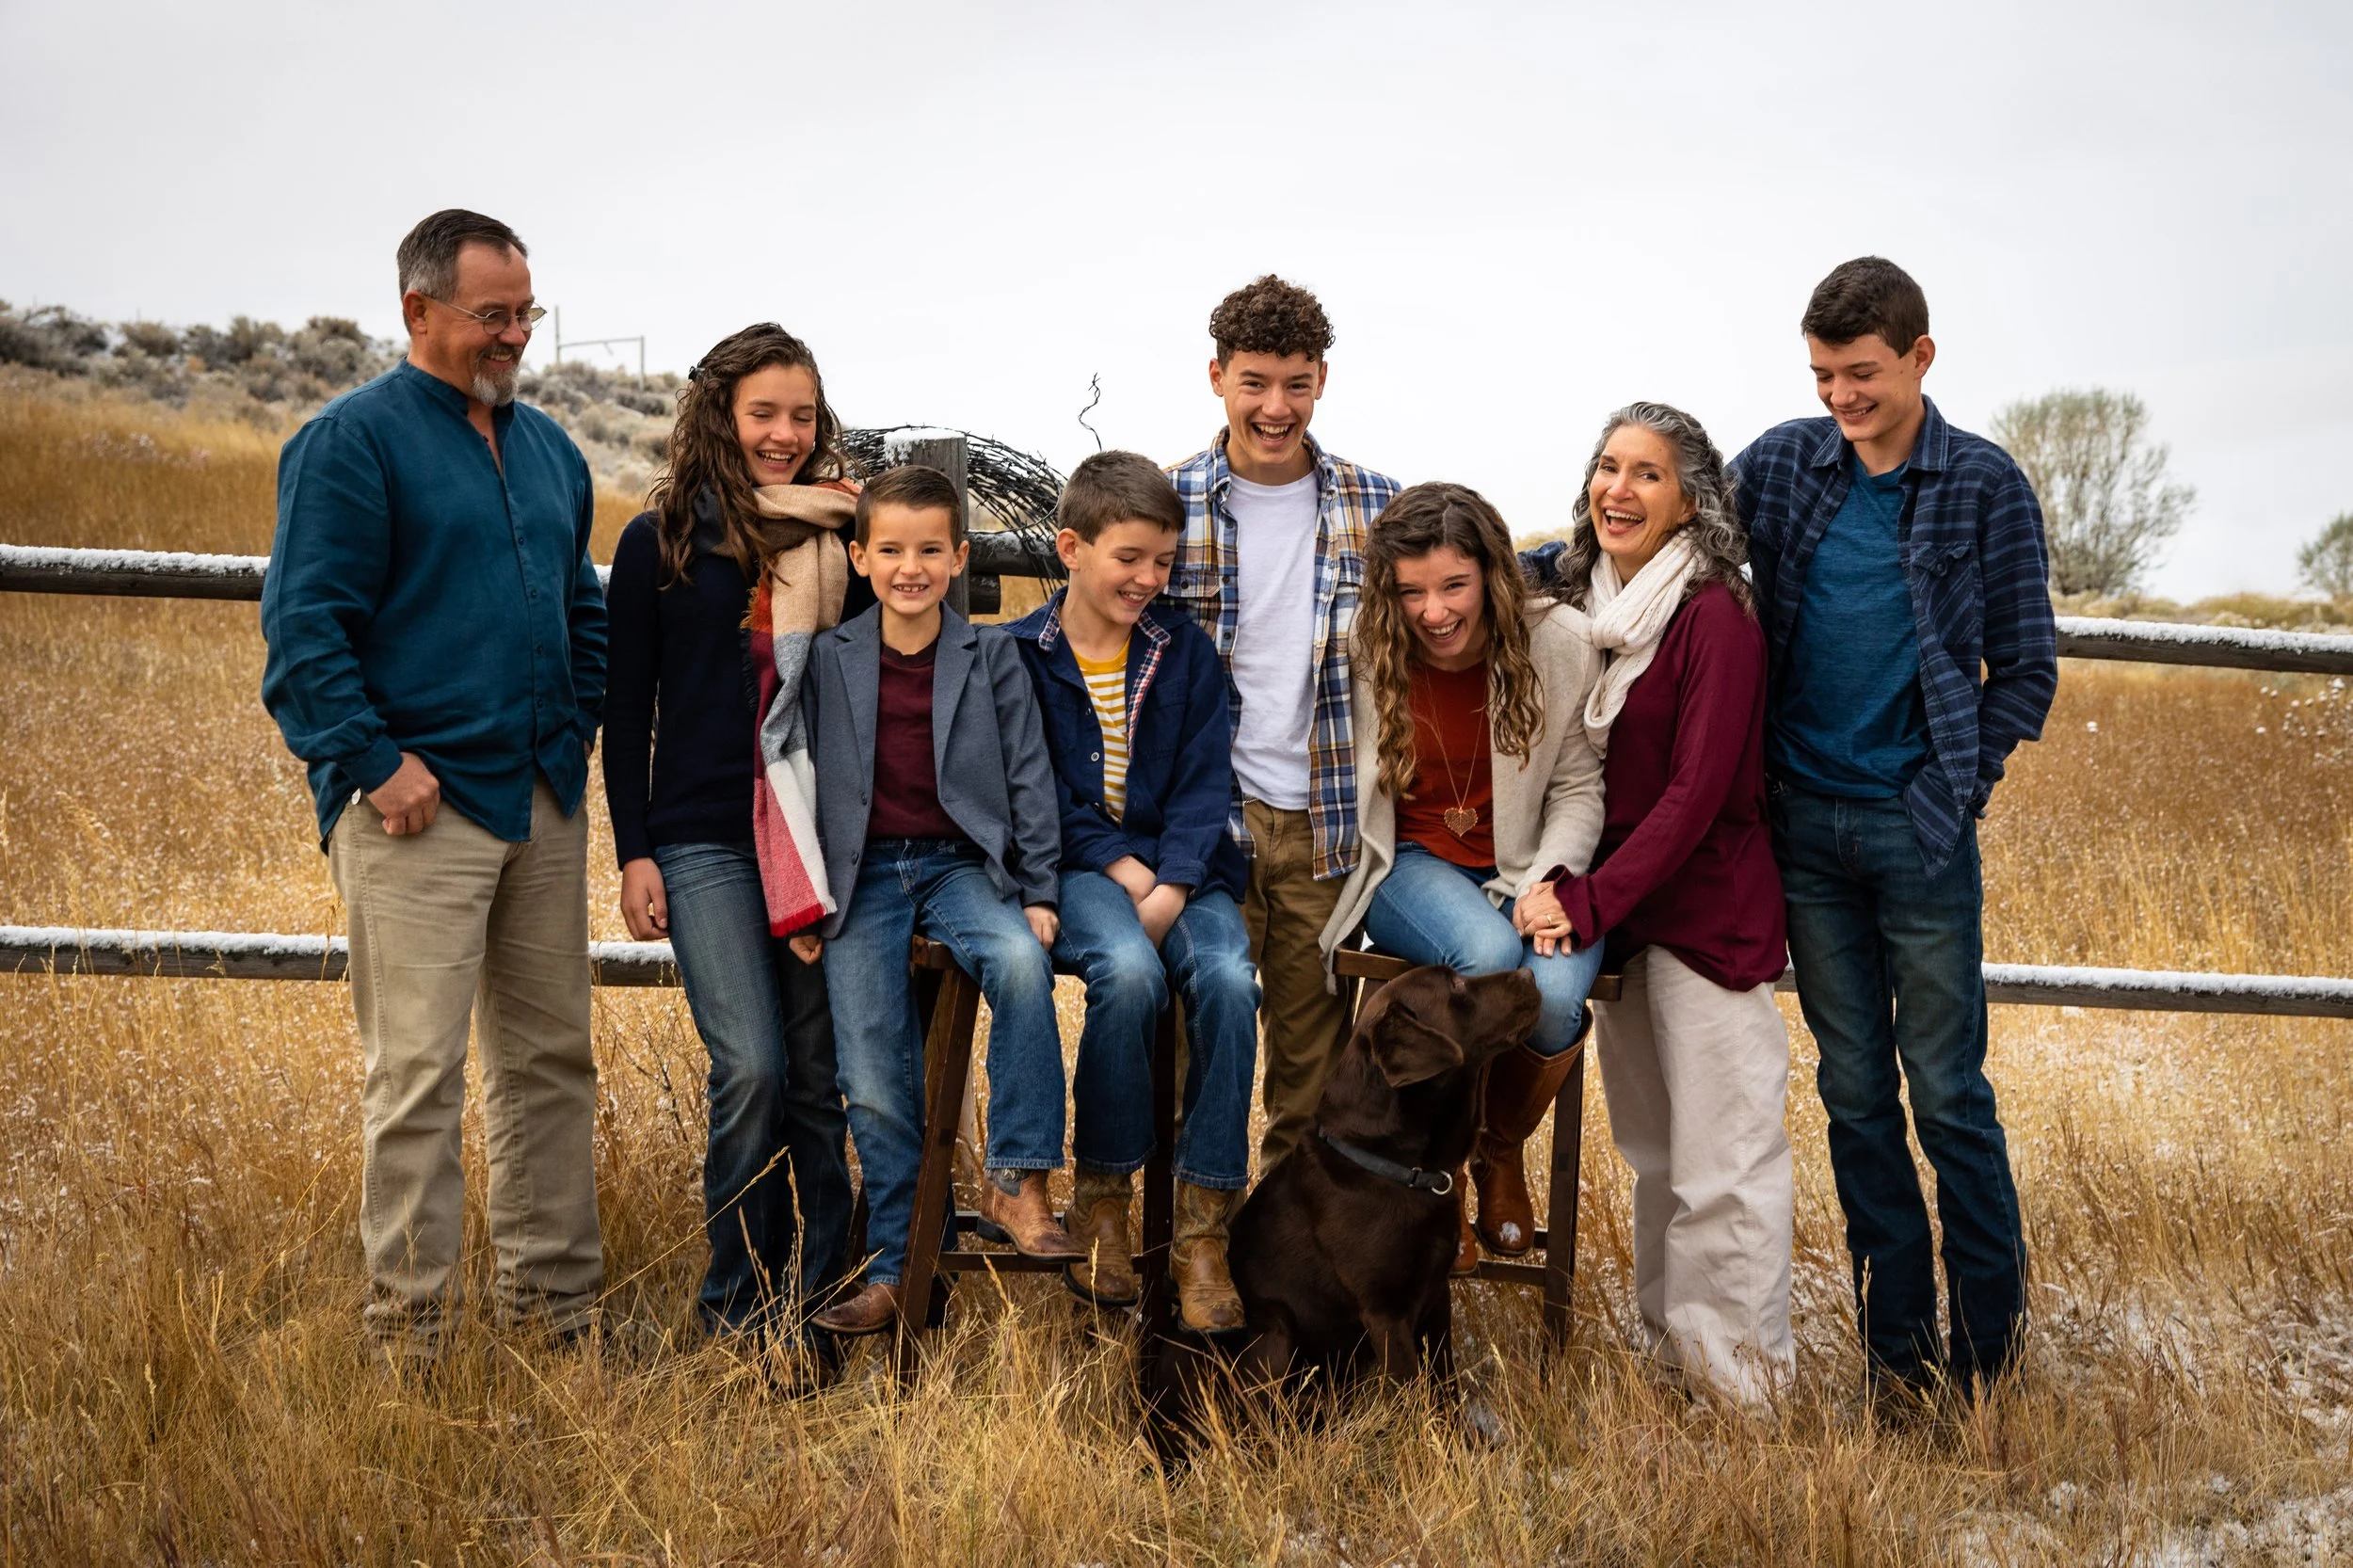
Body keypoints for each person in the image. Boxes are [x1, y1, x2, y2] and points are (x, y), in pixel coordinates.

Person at [260, 209, 606, 1359]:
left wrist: (577, 729)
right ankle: (409, 1340)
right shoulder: (349, 443)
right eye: (490, 316)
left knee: (550, 1062)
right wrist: (377, 763)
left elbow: (584, 612)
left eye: (526, 315)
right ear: (418, 311)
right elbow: (305, 633)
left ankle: (557, 1318)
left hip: (543, 799)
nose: (513, 337)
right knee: (417, 1078)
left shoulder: (553, 449)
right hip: (419, 810)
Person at [1735, 257, 2057, 1405]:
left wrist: (1958, 781)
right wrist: (1500, 564)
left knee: (1948, 1090)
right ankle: (1897, 1358)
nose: (1839, 395)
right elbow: (1668, 551)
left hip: (1918, 834)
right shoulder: (1778, 465)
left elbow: (2026, 667)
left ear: (1920, 356)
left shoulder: (1983, 485)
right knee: (1855, 1094)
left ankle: (1989, 1351)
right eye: (1822, 374)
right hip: (1803, 834)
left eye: (1860, 373)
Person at [601, 323, 858, 1358]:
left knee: (814, 1074)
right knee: (749, 1065)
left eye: (801, 414)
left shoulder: (844, 540)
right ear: (720, 414)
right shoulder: (658, 541)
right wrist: (634, 851)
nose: (785, 435)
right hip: (702, 835)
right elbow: (628, 712)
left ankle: (827, 1297)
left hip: (811, 835)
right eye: (764, 413)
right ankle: (731, 1308)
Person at [1548, 403, 1795, 1410]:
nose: (1619, 488)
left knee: (1723, 1165)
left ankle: (1743, 1394)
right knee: (1655, 1156)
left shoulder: (1712, 615)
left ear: (1692, 497)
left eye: (1647, 474)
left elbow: (1696, 795)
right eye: (1608, 467)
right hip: (1630, 920)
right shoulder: (1594, 604)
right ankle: (1672, 1368)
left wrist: (1588, 899)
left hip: (1706, 922)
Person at [796, 464, 1081, 1338]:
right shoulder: (830, 659)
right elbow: (794, 782)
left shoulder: (990, 654)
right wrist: (805, 900)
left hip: (961, 866)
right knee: (875, 1078)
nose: (909, 566)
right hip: (861, 876)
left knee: (1021, 963)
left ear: (959, 559)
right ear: (859, 556)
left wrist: (1037, 890)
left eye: (929, 550)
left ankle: (1019, 1179)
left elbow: (1031, 776)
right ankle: (894, 1268)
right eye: (889, 549)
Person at [1318, 482, 1608, 1276]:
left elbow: (1581, 787)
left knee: (1547, 1001)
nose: (1434, 612)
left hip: (1539, 862)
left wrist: (1550, 880)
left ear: (1492, 574)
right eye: (1411, 592)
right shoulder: (1367, 647)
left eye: (1454, 585)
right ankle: (1436, 1184)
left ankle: (1496, 1151)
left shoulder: (1562, 644)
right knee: (1485, 958)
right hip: (1411, 863)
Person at [1008, 451, 1259, 1333]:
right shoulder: (1021, 659)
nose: (1150, 579)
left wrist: (1177, 881)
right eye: (1130, 559)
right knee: (1127, 971)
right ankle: (1105, 1199)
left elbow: (1205, 783)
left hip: (1189, 871)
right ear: (1072, 547)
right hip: (1083, 873)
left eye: (1164, 563)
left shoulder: (1180, 653)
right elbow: (1036, 793)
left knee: (1230, 981)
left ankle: (1202, 1227)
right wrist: (1128, 874)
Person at [1164, 275, 1401, 1171]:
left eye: (1295, 383)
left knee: (1310, 1072)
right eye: (1255, 382)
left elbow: (1462, 596)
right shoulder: (1168, 500)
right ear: (1217, 376)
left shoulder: (1377, 505)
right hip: (1206, 821)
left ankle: (1280, 1266)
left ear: (1322, 382)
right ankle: (1185, 1251)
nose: (1275, 406)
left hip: (1324, 822)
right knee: (1192, 1041)